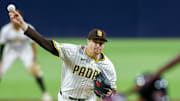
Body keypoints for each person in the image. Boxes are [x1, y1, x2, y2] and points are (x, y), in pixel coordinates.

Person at [9, 10, 117, 101]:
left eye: (101, 43)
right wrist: (23, 25)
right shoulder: (73, 52)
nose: (98, 45)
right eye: (95, 42)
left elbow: (112, 91)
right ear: (88, 41)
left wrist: (108, 95)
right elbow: (46, 44)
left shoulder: (107, 66)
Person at [0, 10, 52, 101]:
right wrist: (1, 61)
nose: (14, 19)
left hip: (25, 51)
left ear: (20, 17)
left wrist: (34, 60)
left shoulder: (27, 27)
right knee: (0, 71)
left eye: (17, 16)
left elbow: (33, 44)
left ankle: (45, 94)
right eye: (13, 18)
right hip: (10, 51)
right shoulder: (6, 30)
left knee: (36, 72)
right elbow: (2, 46)